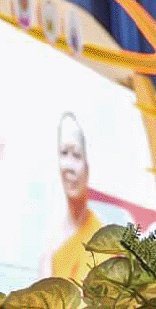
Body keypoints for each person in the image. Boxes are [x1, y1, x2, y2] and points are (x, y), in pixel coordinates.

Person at [46, 112, 102, 283]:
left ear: (88, 167)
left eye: (76, 155)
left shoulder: (100, 241)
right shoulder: (53, 241)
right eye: (64, 153)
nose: (69, 166)